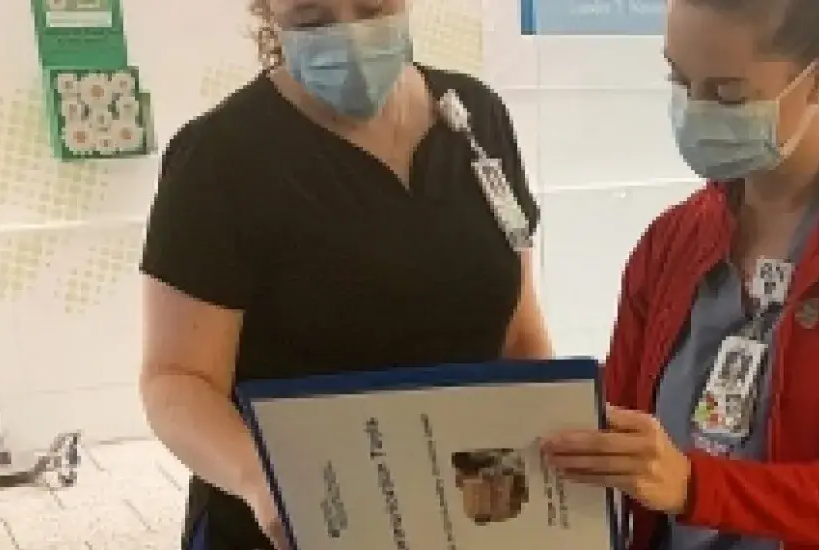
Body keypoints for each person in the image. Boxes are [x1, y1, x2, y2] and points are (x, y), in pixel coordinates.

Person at [541, 1, 819, 550]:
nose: (695, 112)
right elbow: (615, 453)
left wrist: (695, 486)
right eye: (680, 81)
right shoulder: (670, 245)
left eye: (729, 94)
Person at [137, 0, 552, 548]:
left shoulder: (477, 118)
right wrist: (259, 478)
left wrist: (551, 449)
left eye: (373, 7)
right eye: (313, 19)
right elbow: (176, 381)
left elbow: (518, 331)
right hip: (297, 518)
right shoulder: (220, 159)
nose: (351, 36)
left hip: (459, 510)